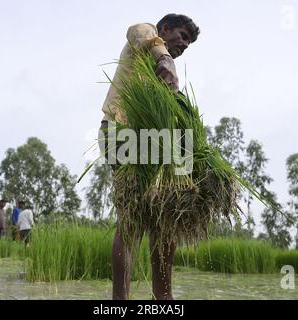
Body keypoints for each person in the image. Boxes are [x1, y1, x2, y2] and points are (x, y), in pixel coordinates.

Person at [99, 14, 200, 300]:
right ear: (165, 29)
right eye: (182, 37)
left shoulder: (161, 77)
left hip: (155, 142)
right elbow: (138, 32)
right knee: (131, 219)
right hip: (120, 131)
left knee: (165, 220)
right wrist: (165, 59)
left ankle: (163, 299)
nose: (183, 46)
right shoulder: (146, 34)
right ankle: (120, 302)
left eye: (188, 44)